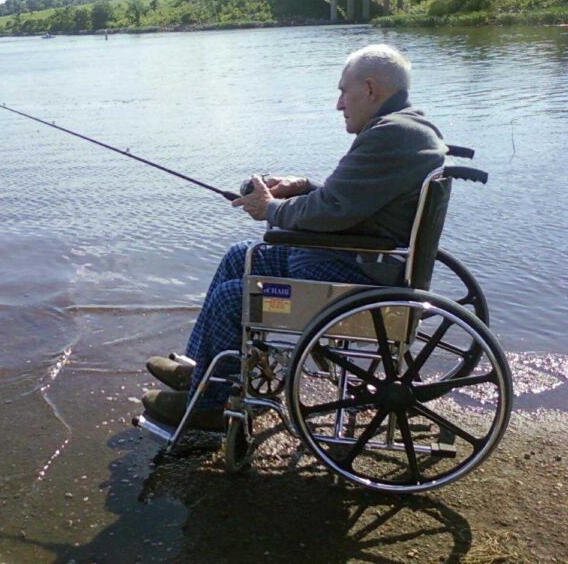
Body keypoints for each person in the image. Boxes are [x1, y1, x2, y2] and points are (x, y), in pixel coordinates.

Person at [142, 44, 447, 431]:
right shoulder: (408, 128)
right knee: (240, 255)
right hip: (357, 264)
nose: (339, 104)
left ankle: (209, 407)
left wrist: (271, 209)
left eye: (344, 91)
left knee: (233, 298)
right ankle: (203, 373)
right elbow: (354, 201)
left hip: (355, 280)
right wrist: (303, 186)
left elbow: (331, 209)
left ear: (370, 88)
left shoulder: (391, 135)